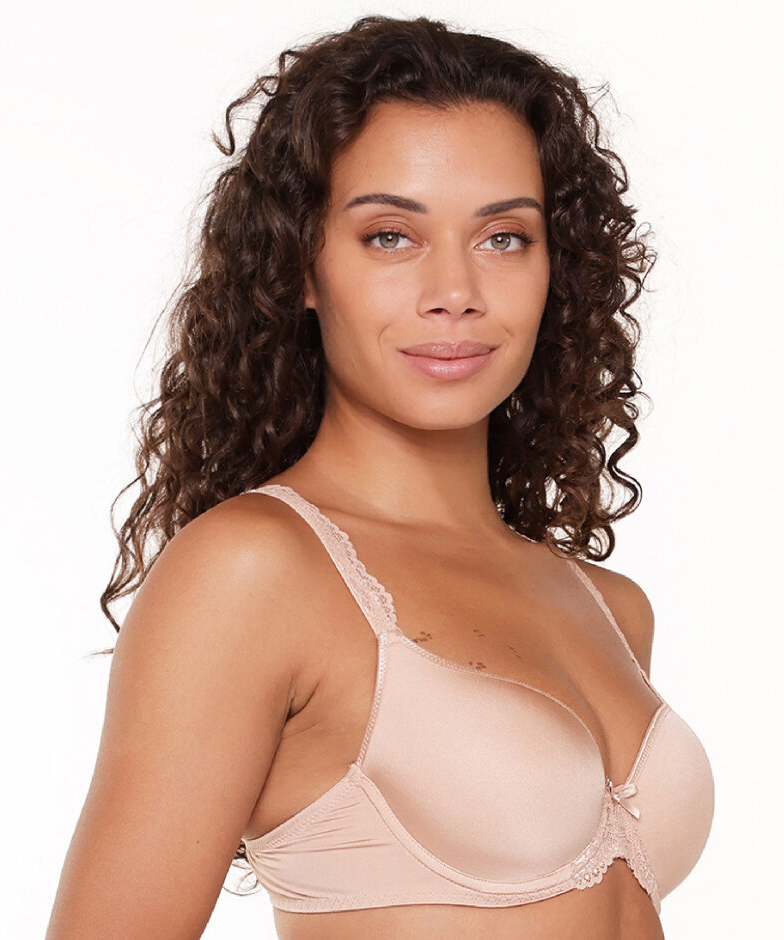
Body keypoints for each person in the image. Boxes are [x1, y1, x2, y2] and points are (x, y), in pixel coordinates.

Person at [46, 14, 713, 940]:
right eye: (391, 236)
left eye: (505, 238)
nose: (455, 293)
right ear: (302, 265)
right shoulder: (255, 572)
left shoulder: (610, 607)